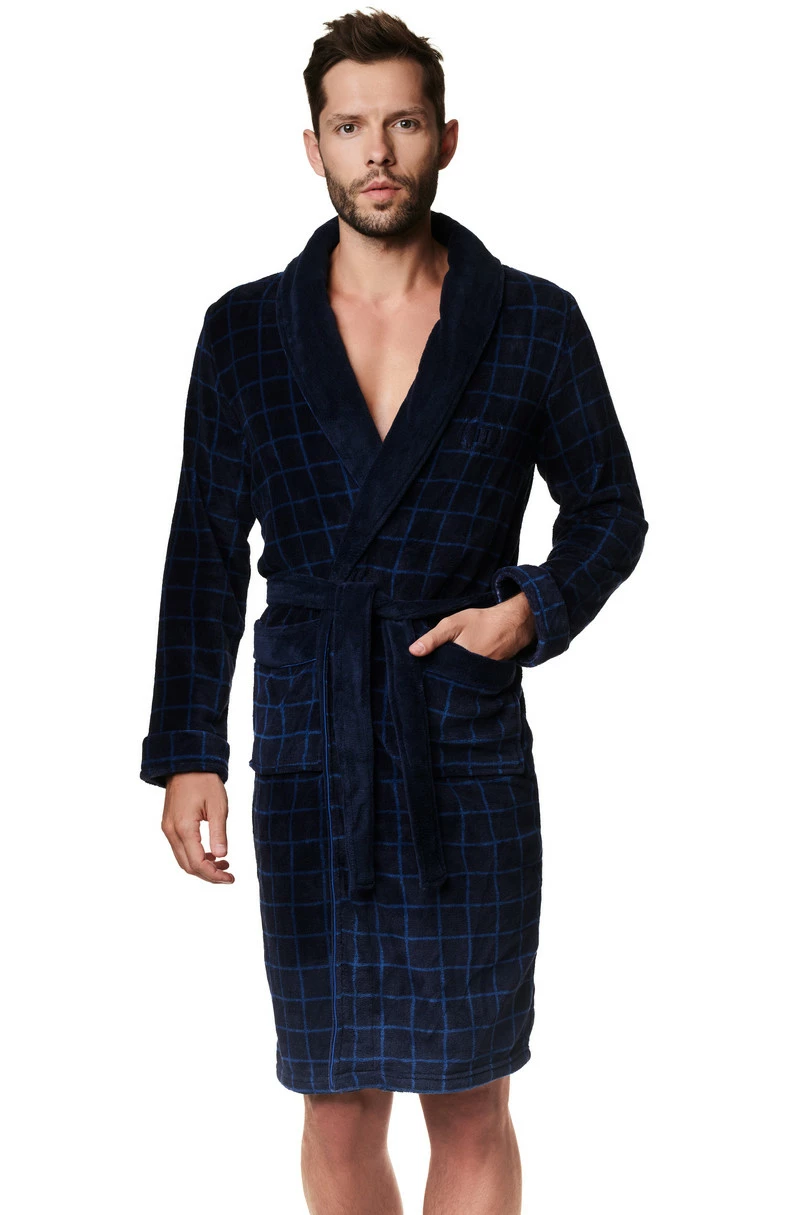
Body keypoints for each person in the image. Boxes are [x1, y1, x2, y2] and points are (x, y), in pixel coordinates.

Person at [140, 9, 649, 1214]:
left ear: (447, 138)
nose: (378, 151)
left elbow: (610, 511)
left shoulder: (532, 321)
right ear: (310, 146)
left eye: (405, 123)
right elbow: (205, 546)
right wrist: (189, 751)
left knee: (470, 1094)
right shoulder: (243, 332)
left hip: (459, 741)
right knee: (335, 1096)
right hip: (313, 741)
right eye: (349, 126)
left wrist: (531, 611)